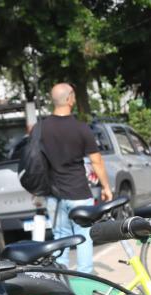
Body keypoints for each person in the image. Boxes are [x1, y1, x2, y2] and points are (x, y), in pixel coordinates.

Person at [41, 83, 113, 273]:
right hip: (78, 192)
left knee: (60, 238)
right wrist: (106, 187)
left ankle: (61, 285)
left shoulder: (41, 128)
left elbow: (35, 160)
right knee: (83, 236)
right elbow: (96, 161)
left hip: (53, 195)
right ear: (69, 98)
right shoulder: (81, 128)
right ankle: (85, 282)